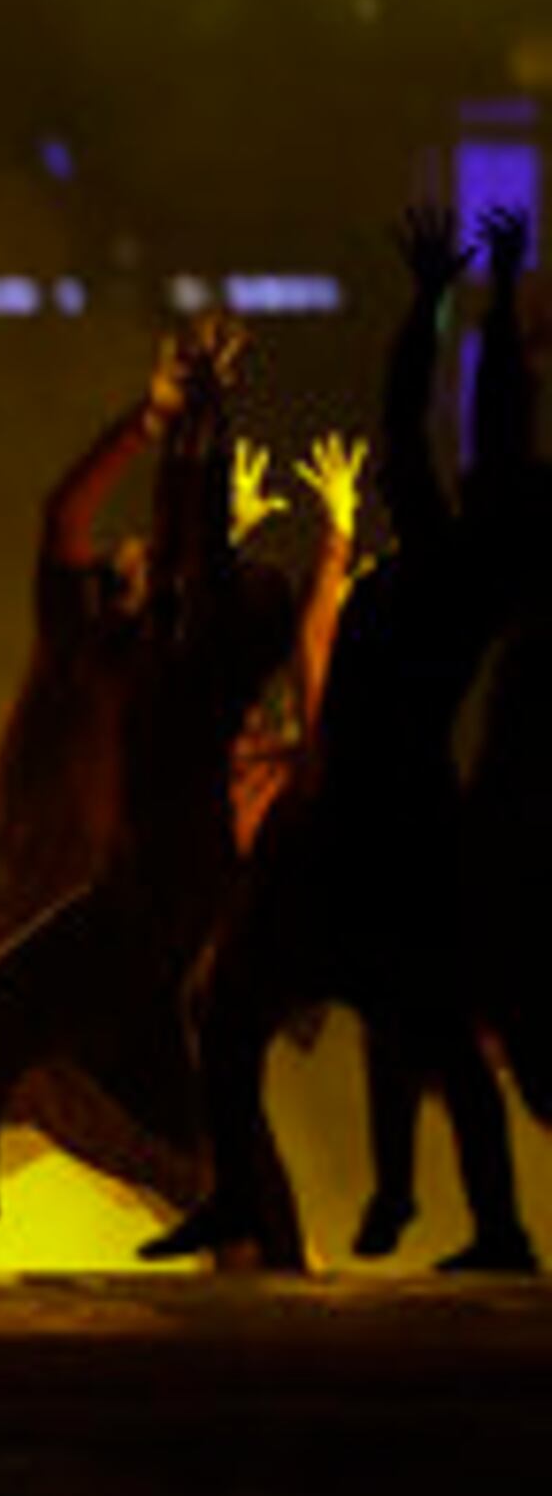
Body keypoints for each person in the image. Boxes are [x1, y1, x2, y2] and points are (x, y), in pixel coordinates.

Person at [145, 207, 534, 1271]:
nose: (453, 480)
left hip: (395, 825)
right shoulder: (441, 560)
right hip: (347, 818)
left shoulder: (466, 577)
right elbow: (411, 424)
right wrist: (438, 302)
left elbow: (477, 431)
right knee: (230, 1012)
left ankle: (497, 1228)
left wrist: (478, 301)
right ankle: (240, 1191)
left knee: (438, 1039)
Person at [0, 310, 295, 1243]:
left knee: (195, 1130)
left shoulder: (173, 657)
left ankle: (284, 1282)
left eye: (159, 559)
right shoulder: (95, 643)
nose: (142, 551)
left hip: (124, 920)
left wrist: (197, 417)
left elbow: (185, 537)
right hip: (75, 913)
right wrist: (168, 416)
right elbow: (84, 516)